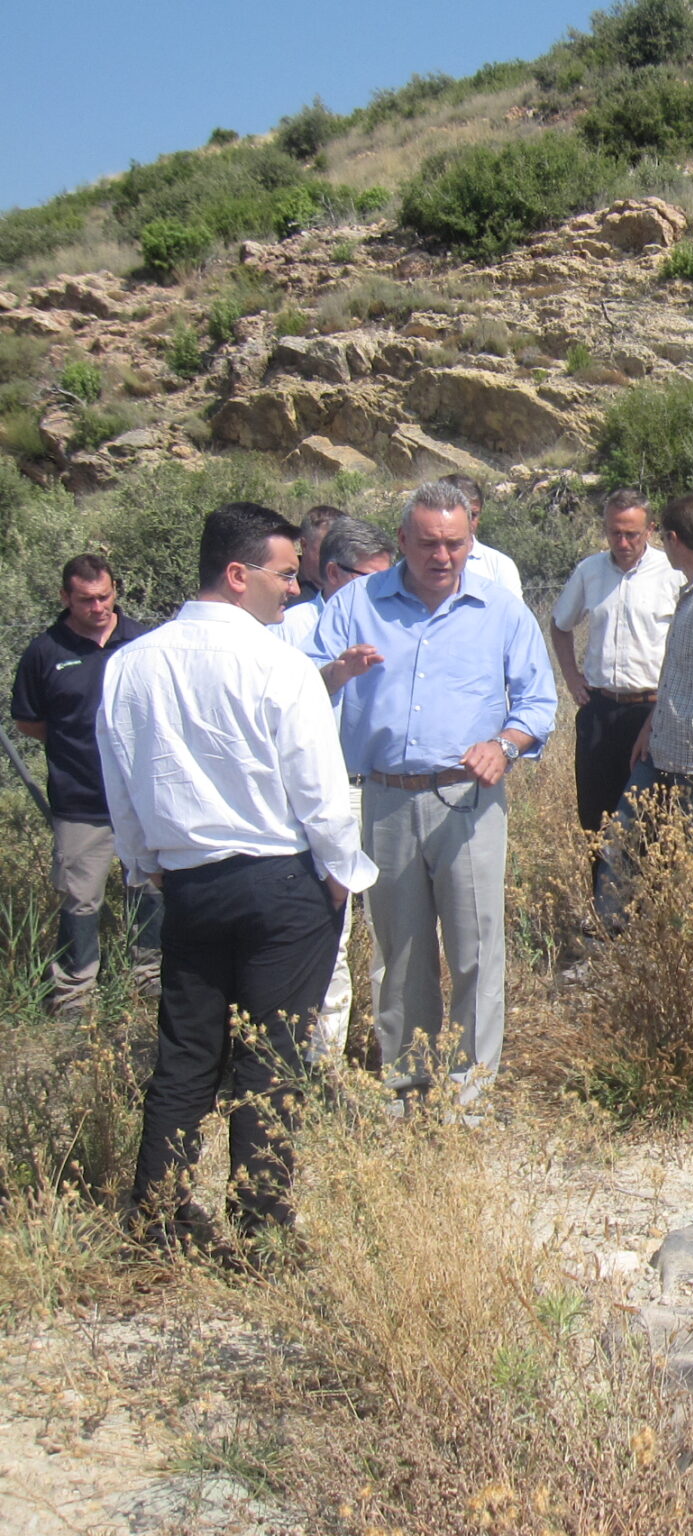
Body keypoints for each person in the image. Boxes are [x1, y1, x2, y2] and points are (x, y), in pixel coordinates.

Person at [98, 503, 375, 1251]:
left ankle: (156, 1215)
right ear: (236, 573)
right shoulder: (278, 663)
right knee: (274, 1057)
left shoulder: (131, 663)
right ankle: (263, 1229)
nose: (294, 588)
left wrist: (148, 865)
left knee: (186, 1054)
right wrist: (342, 873)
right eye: (286, 573)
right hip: (280, 882)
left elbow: (121, 782)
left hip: (188, 884)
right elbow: (318, 789)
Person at [309, 480, 555, 1105]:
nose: (442, 556)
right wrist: (339, 672)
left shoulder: (500, 610)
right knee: (400, 948)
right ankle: (411, 1081)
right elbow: (300, 685)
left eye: (455, 544)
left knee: (475, 946)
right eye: (428, 544)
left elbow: (537, 704)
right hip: (384, 797)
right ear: (401, 541)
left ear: (471, 539)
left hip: (468, 800)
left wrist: (504, 744)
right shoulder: (355, 604)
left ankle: (471, 1087)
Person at [9, 554, 161, 1015]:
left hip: (140, 798)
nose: (98, 607)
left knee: (151, 890)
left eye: (105, 596)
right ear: (64, 597)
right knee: (80, 899)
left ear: (116, 590)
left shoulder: (143, 641)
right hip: (81, 801)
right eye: (85, 599)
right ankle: (75, 993)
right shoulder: (45, 651)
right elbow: (29, 721)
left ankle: (150, 976)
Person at [271, 515, 396, 1061]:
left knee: (397, 925)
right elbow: (283, 719)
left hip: (389, 788)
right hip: (330, 791)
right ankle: (322, 1062)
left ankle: (394, 1045)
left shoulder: (395, 619)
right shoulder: (293, 629)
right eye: (368, 577)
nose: (380, 588)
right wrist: (336, 674)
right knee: (333, 927)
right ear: (332, 573)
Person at [594, 493, 693, 930]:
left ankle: (688, 947)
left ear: (675, 539)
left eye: (663, 534)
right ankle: (611, 941)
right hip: (663, 749)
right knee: (620, 843)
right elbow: (679, 675)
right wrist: (650, 724)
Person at [548, 488, 682, 910]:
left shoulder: (672, 574)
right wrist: (572, 679)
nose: (622, 544)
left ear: (651, 530)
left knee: (652, 818)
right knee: (596, 816)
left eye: (632, 534)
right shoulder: (590, 571)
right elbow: (560, 625)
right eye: (613, 533)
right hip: (601, 709)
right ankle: (604, 917)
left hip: (653, 710)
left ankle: (648, 916)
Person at [446, 473, 522, 597]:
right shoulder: (420, 564)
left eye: (473, 515)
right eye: (457, 514)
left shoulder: (500, 566)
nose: (465, 523)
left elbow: (513, 614)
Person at [292, 505, 344, 600]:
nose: (335, 559)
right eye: (327, 549)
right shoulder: (287, 589)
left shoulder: (351, 589)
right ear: (304, 545)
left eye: (341, 550)